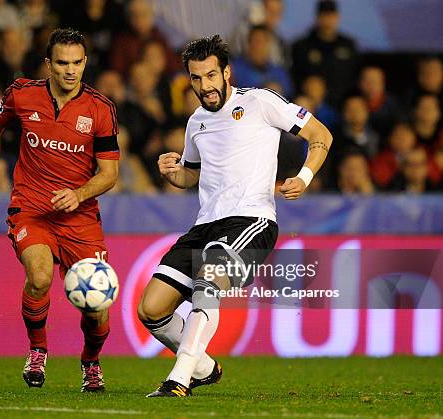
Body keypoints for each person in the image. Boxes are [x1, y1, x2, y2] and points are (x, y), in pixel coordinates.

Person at [137, 34, 332, 397]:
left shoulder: (260, 102)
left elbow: (321, 136)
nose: (205, 86)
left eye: (211, 76)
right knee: (151, 309)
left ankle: (178, 379)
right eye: (196, 78)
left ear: (226, 72)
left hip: (252, 220)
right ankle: (205, 367)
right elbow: (192, 174)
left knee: (208, 284)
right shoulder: (196, 121)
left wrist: (304, 178)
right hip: (205, 224)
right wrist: (173, 172)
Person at [0, 28, 119, 393]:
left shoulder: (100, 109)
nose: (70, 71)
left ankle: (90, 361)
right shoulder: (22, 95)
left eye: (77, 63)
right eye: (62, 63)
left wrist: (79, 193)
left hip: (80, 217)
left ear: (85, 62)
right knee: (40, 276)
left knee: (97, 308)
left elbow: (110, 174)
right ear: (49, 64)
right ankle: (38, 350)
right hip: (32, 209)